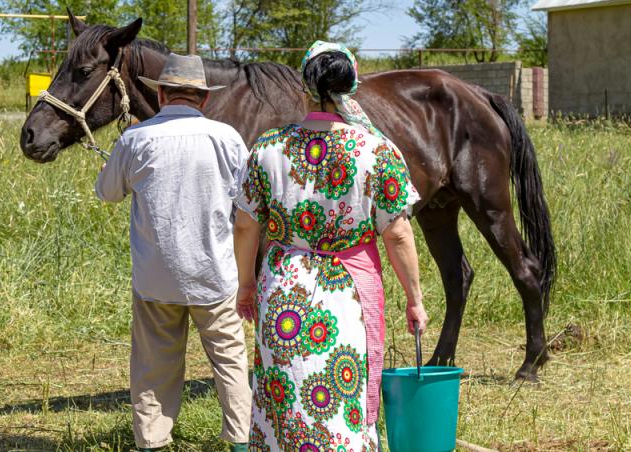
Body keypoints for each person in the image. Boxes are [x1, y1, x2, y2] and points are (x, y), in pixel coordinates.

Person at [233, 41, 429, 451]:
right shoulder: (376, 151)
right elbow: (396, 233)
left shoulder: (267, 148)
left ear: (304, 87)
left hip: (282, 290)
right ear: (351, 86)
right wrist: (415, 297)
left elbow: (245, 227)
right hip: (346, 294)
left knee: (284, 395)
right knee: (342, 396)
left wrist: (246, 285)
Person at [95, 53, 251, 452]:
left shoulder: (136, 139)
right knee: (230, 362)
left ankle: (153, 442)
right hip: (215, 272)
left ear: (162, 93)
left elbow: (107, 192)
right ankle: (240, 441)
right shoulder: (228, 138)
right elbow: (248, 202)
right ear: (202, 97)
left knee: (153, 368)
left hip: (155, 278)